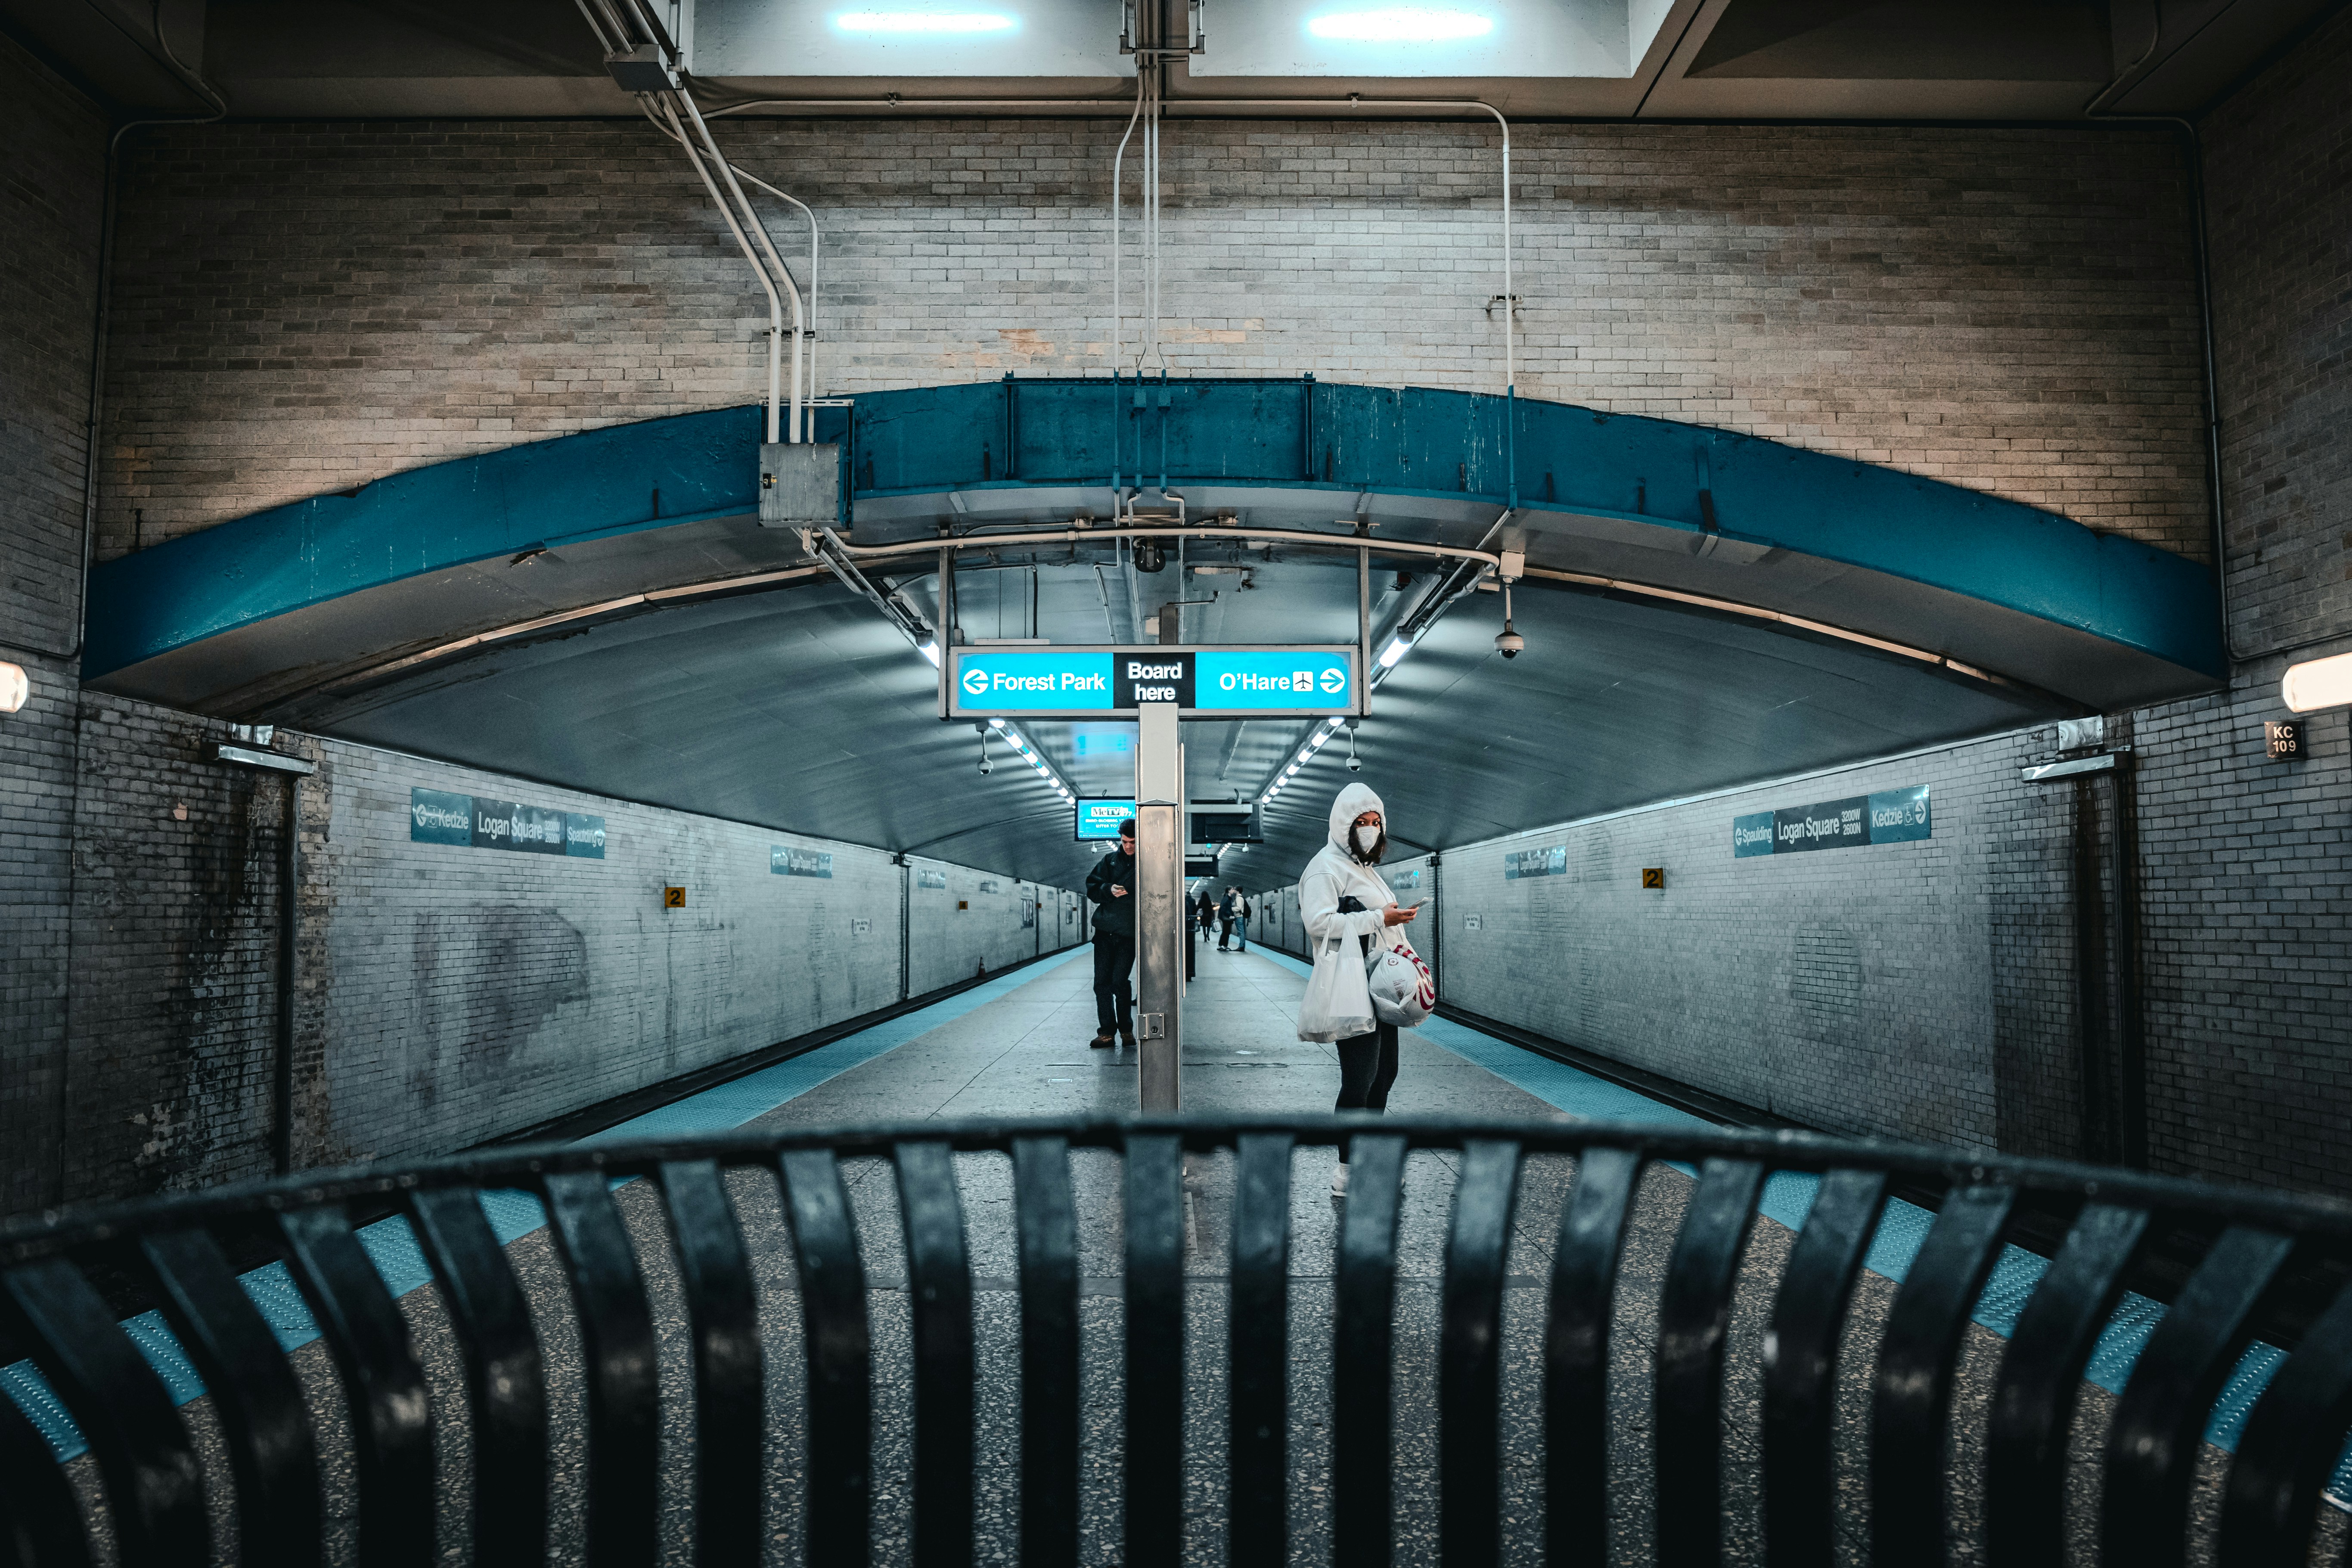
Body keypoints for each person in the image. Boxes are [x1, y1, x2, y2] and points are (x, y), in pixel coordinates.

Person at [1298, 782, 1418, 1198]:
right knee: (1360, 1078)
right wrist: (1377, 918)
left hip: (1379, 985)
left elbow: (1385, 923)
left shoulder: (1368, 870)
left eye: (1375, 823)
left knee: (1385, 1074)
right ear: (1342, 825)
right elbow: (1319, 924)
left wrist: (1412, 963)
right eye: (1361, 823)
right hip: (1350, 986)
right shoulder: (1325, 867)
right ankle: (1347, 1171)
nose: (1369, 830)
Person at [1085, 820, 1138, 1049]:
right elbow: (1092, 888)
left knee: (1119, 982)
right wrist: (1108, 890)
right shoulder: (1109, 861)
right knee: (1101, 983)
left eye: (1133, 843)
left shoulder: (1148, 863)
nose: (1128, 847)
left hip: (1129, 933)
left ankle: (1126, 1029)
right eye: (1125, 842)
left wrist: (1133, 890)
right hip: (1105, 933)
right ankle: (1107, 1032)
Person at [1231, 889, 1251, 953]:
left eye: (1235, 889)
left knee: (1241, 932)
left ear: (1237, 891)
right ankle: (1242, 946)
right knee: (1241, 932)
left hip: (1239, 917)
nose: (1233, 890)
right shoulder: (1239, 898)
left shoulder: (1239, 898)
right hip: (1240, 916)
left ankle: (1242, 947)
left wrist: (1230, 908)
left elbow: (1239, 908)